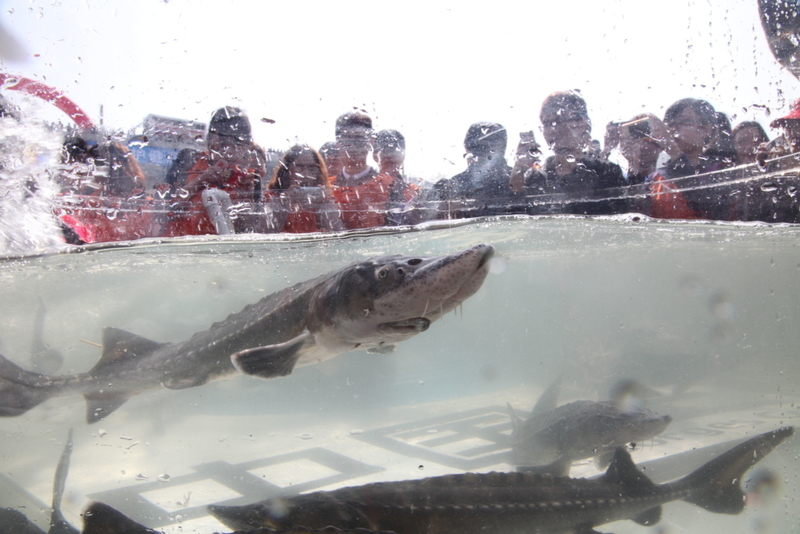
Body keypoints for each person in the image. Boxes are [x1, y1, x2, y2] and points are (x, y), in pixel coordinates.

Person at [162, 106, 266, 237]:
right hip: (183, 244)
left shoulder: (249, 178)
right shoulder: (190, 162)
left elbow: (252, 228)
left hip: (224, 249)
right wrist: (201, 180)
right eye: (223, 144)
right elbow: (166, 210)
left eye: (239, 145)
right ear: (211, 140)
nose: (229, 151)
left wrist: (248, 197)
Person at [532, 91, 626, 214]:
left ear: (581, 124)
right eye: (546, 123)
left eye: (559, 121)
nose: (552, 130)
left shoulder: (607, 172)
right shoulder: (535, 177)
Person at [645, 98, 731, 220]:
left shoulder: (724, 171)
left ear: (706, 130)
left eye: (684, 122)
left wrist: (674, 151)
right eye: (669, 124)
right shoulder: (655, 178)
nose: (673, 129)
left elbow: (707, 210)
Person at [331, 111, 414, 229]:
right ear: (337, 142)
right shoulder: (325, 188)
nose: (353, 146)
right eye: (347, 139)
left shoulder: (393, 187)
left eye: (359, 138)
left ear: (371, 142)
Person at [430, 121, 516, 219]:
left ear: (466, 147)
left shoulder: (448, 188)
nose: (481, 153)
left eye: (487, 148)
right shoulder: (525, 182)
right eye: (478, 148)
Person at [265, 144, 343, 233]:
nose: (306, 173)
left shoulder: (328, 195)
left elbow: (338, 235)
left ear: (319, 171)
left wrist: (326, 206)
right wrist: (283, 205)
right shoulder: (272, 197)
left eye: (312, 168)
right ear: (287, 170)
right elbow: (264, 235)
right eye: (299, 167)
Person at [372, 129, 420, 225]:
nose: (390, 156)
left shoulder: (415, 191)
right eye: (384, 151)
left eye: (395, 151)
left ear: (403, 155)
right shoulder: (363, 190)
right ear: (374, 156)